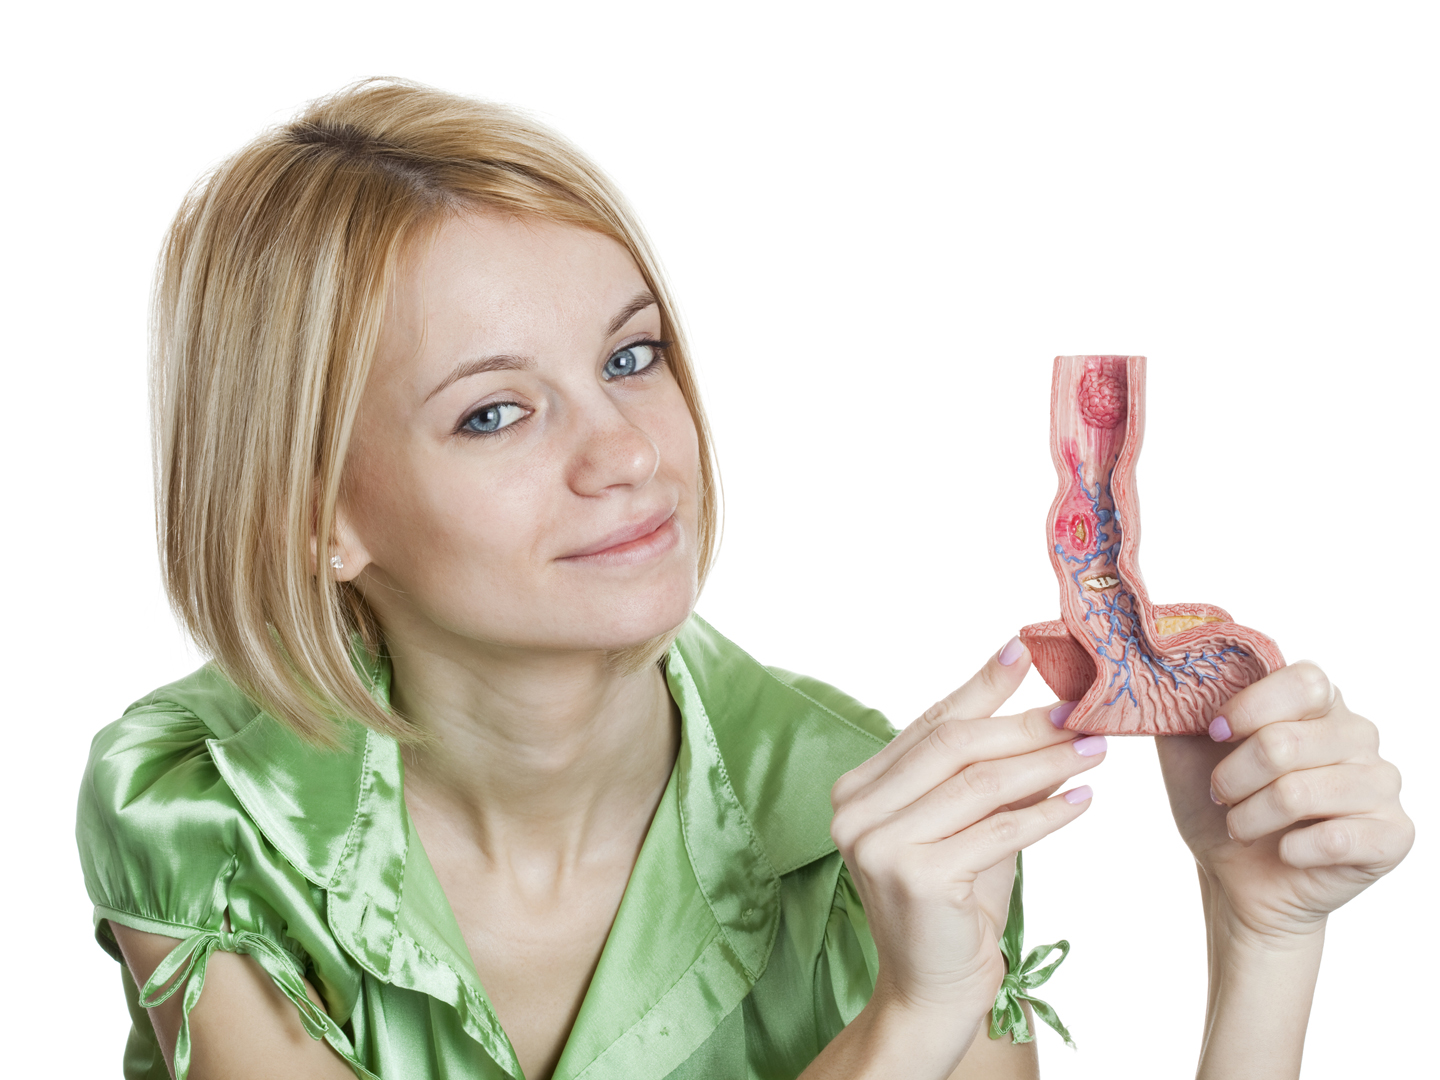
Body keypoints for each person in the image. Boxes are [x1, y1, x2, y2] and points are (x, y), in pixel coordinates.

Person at [76, 79, 1413, 1080]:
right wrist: (903, 1025)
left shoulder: (870, 828)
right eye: (495, 412)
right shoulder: (206, 810)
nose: (626, 452)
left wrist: (1264, 941)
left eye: (628, 357)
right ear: (318, 521)